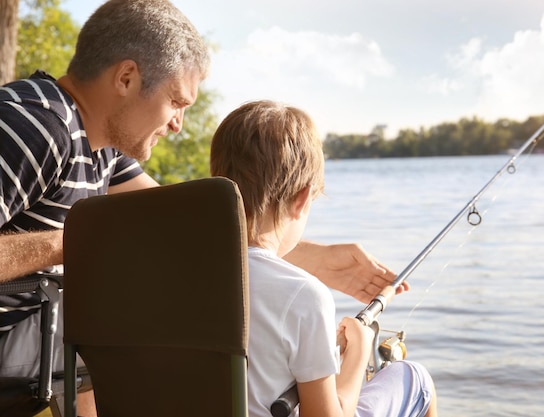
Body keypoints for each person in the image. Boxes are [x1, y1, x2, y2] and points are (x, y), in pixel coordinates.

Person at [0, 1, 404, 415]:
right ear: (126, 78)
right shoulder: (36, 125)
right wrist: (80, 242)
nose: (179, 124)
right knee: (140, 287)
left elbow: (199, 226)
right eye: (177, 102)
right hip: (11, 341)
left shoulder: (102, 148)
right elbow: (132, 240)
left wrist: (315, 259)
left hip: (36, 331)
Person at [210, 100, 438, 417]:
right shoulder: (304, 295)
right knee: (414, 378)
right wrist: (357, 352)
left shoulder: (174, 270)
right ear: (302, 199)